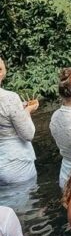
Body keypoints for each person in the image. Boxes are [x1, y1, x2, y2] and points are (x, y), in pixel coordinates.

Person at [0, 56, 39, 190]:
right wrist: (27, 111)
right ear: (1, 71)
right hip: (15, 164)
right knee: (25, 208)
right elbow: (28, 134)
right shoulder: (9, 98)